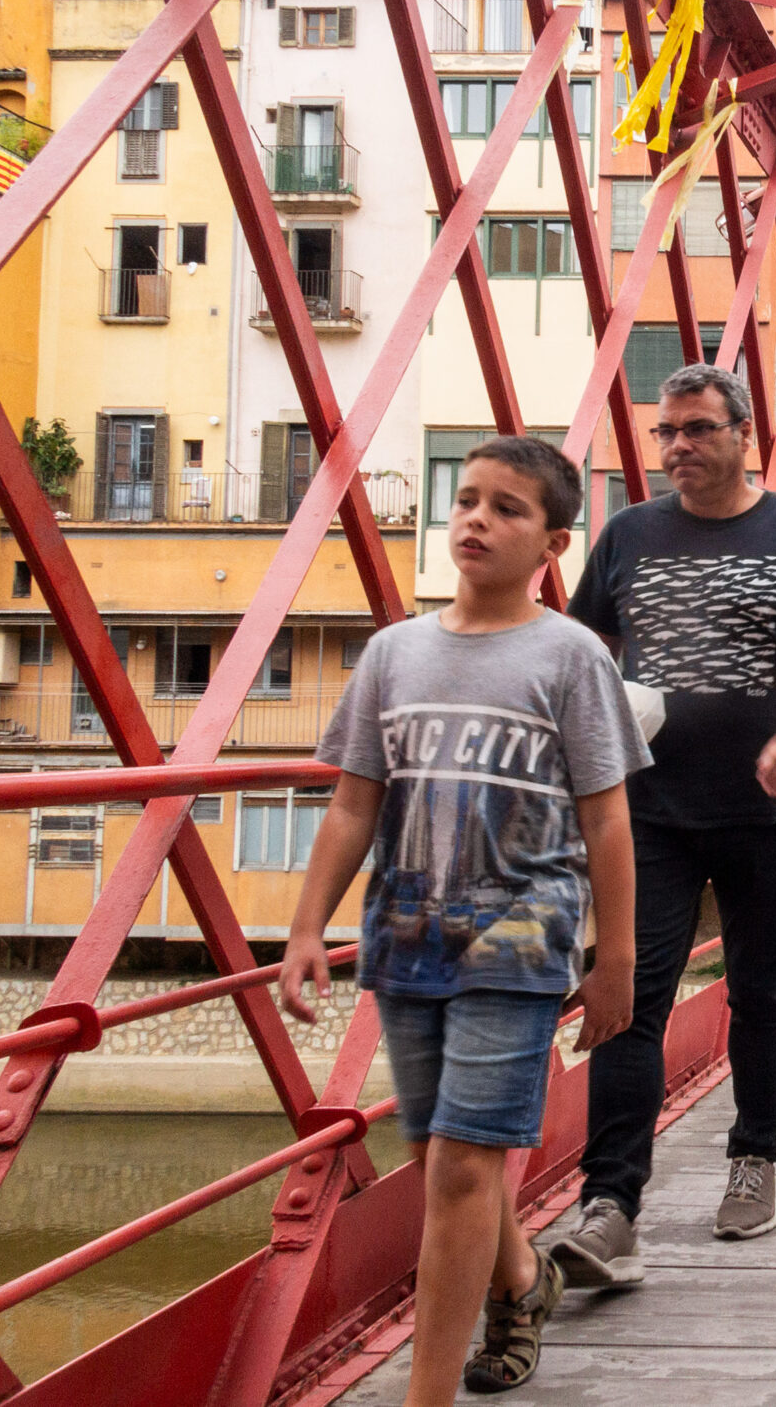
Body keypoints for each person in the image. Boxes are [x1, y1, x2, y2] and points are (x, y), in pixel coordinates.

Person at [279, 436, 642, 1402]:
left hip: (522, 934)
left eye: (508, 508)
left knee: (460, 1173)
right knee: (441, 1154)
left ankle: (425, 1394)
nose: (477, 518)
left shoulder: (571, 656)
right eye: (467, 499)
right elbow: (355, 801)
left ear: (553, 543)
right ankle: (523, 1281)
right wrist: (308, 924)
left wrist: (619, 959)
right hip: (406, 931)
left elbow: (608, 816)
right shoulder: (394, 652)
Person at [555, 363, 776, 1278]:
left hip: (764, 807)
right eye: (665, 432)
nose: (676, 448)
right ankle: (610, 1203)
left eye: (697, 429)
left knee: (761, 990)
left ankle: (754, 1158)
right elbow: (585, 656)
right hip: (644, 810)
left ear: (745, 433)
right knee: (627, 997)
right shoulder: (625, 535)